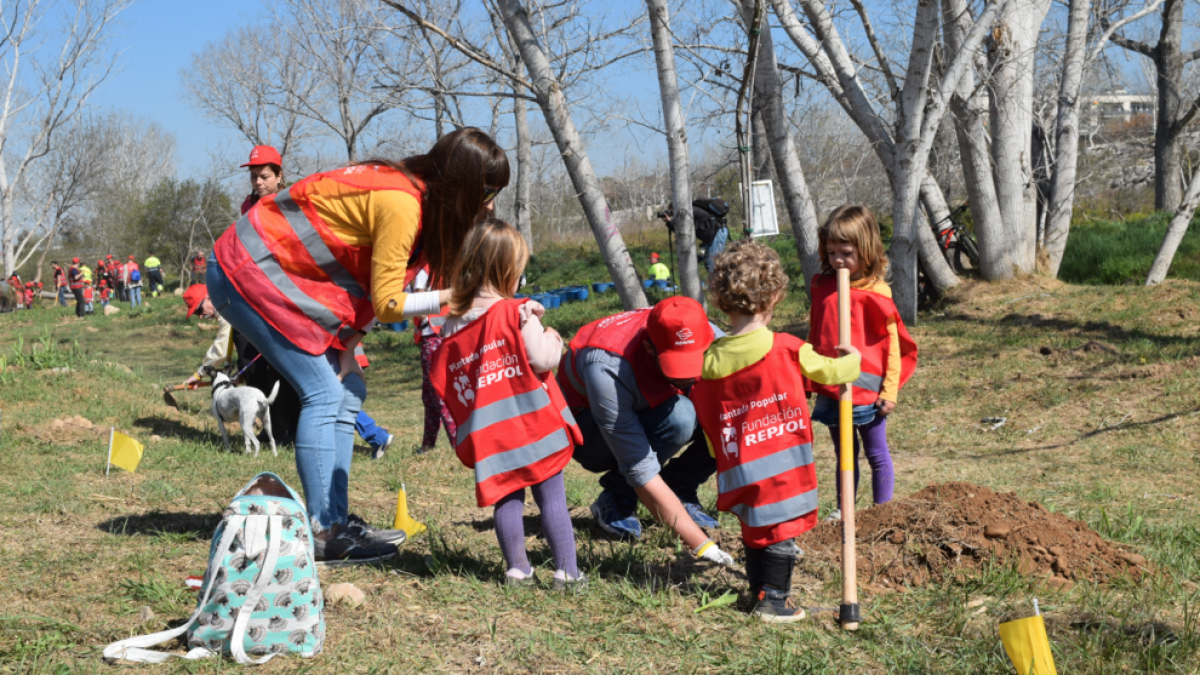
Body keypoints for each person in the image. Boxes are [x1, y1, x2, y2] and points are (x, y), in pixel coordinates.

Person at [206, 127, 509, 566]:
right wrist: (455, 297)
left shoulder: (418, 201)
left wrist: (349, 342)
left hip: (275, 277)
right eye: (485, 191)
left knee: (349, 391)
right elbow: (389, 303)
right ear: (460, 183)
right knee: (323, 394)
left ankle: (338, 520)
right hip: (243, 273)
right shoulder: (402, 202)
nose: (490, 205)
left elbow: (371, 277)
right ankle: (322, 534)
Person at [692, 240, 861, 622]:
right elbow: (834, 374)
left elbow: (706, 415)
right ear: (774, 299)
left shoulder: (709, 362)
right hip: (782, 470)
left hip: (739, 470)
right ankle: (775, 601)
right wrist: (852, 359)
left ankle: (758, 591)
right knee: (781, 530)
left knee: (756, 528)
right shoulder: (786, 348)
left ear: (719, 301)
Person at [432, 219, 585, 589]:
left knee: (507, 499)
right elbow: (543, 359)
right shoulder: (517, 312)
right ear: (506, 271)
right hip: (531, 424)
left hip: (490, 433)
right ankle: (567, 571)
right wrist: (552, 335)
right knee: (551, 498)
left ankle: (517, 568)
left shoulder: (451, 324)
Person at [557, 297, 733, 565]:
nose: (689, 377)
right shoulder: (606, 365)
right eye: (679, 369)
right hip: (590, 431)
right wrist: (702, 545)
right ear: (650, 348)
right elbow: (640, 467)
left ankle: (679, 486)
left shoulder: (705, 332)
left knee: (728, 414)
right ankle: (617, 495)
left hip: (647, 402)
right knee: (681, 417)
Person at [807, 206, 917, 519]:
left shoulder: (878, 292)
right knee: (844, 453)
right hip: (832, 388)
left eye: (846, 253)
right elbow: (815, 335)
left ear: (866, 251)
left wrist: (890, 390)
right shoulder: (822, 287)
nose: (838, 261)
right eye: (831, 253)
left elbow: (893, 347)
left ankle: (883, 512)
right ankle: (845, 511)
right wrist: (808, 381)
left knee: (876, 451)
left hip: (868, 391)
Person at [408, 265, 456, 454]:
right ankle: (428, 446)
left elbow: (420, 308)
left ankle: (458, 443)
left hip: (433, 337)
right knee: (430, 396)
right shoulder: (445, 266)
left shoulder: (424, 269)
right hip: (448, 334)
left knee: (438, 394)